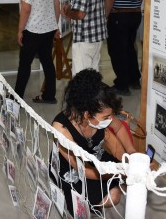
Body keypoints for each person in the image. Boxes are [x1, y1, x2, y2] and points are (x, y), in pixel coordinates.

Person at [51, 69, 136, 217]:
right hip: (74, 170)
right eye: (106, 117)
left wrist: (131, 154)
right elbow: (82, 169)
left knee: (123, 185)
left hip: (95, 159)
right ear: (86, 114)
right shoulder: (61, 129)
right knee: (112, 197)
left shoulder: (101, 110)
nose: (110, 119)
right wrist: (116, 173)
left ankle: (115, 183)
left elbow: (119, 127)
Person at [14, 0, 60, 104]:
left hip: (32, 31)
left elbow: (26, 10)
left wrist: (20, 30)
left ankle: (17, 98)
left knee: (24, 64)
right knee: (47, 62)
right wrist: (55, 25)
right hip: (48, 31)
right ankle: (49, 96)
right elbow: (57, 4)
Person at [105, 0, 144, 96]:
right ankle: (134, 79)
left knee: (117, 49)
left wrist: (105, 15)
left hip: (119, 16)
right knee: (129, 48)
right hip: (135, 14)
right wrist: (135, 7)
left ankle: (122, 84)